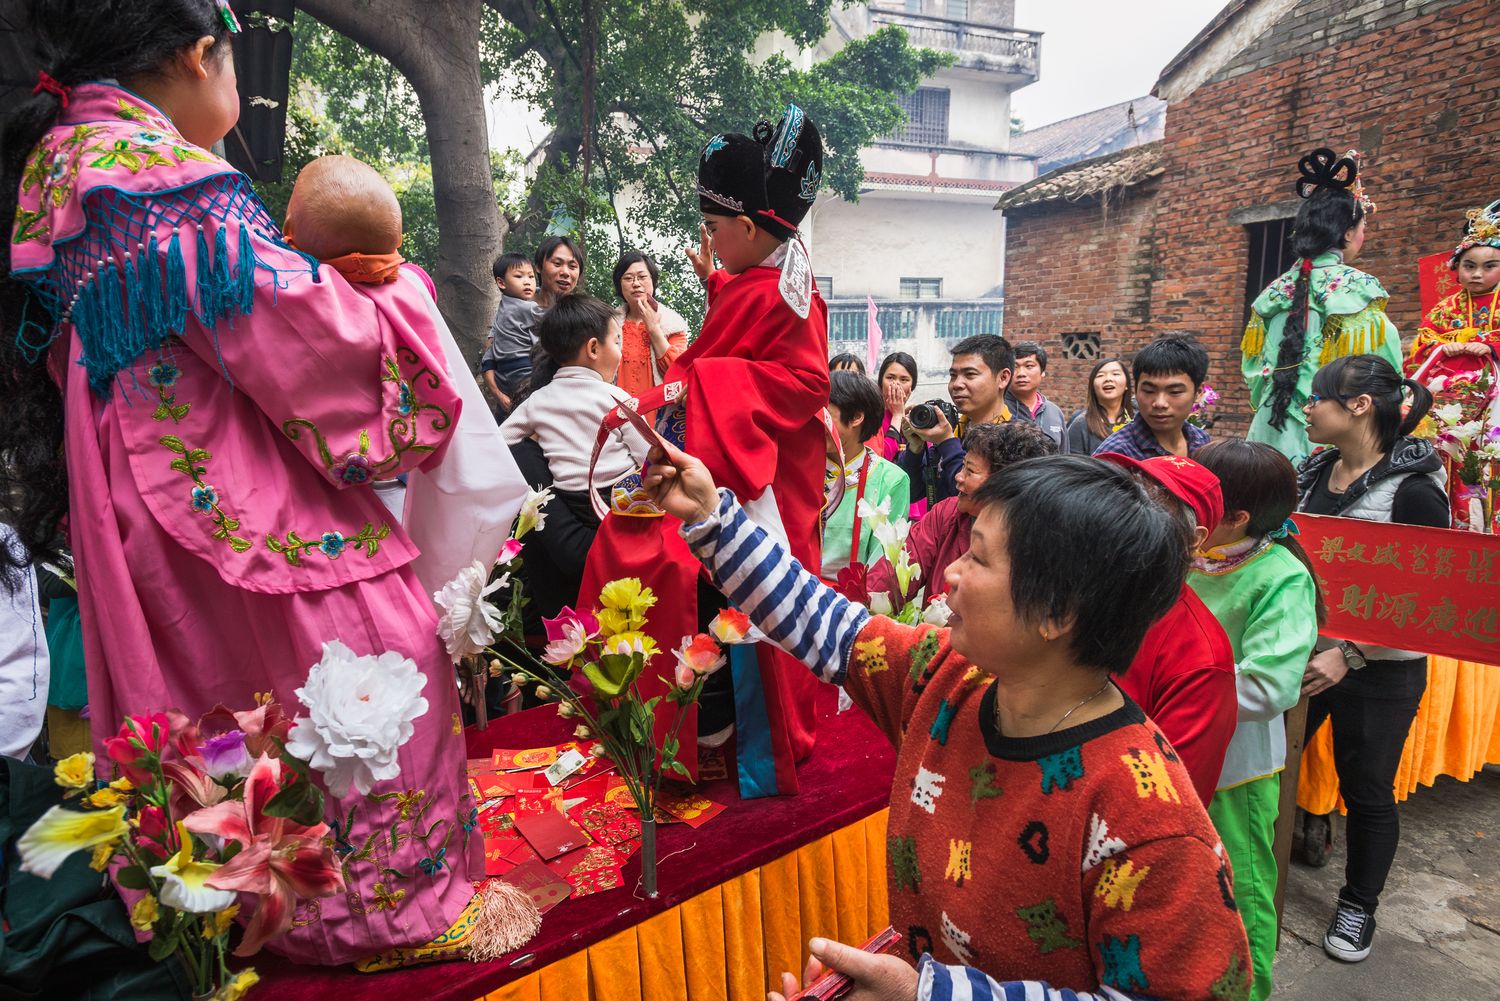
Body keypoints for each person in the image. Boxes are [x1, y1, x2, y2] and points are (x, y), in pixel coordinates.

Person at [0, 1, 516, 964]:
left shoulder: (65, 171)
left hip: (144, 517)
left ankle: (244, 920)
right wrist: (387, 288)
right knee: (371, 666)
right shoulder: (162, 186)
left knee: (211, 712)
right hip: (231, 512)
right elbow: (322, 352)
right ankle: (372, 914)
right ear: (202, 56)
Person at [641, 444, 1253, 1001]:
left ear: (1056, 612)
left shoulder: (1150, 823)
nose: (952, 573)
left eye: (980, 559)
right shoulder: (947, 676)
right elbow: (822, 622)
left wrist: (929, 997)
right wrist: (712, 520)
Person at [577, 105, 830, 798]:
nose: (713, 239)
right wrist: (715, 281)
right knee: (640, 551)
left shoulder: (789, 291)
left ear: (750, 228)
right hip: (732, 455)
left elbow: (807, 381)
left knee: (675, 565)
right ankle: (687, 715)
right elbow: (747, 323)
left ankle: (730, 728)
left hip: (761, 481)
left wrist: (705, 382)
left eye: (718, 230)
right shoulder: (768, 270)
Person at [1295, 354, 1447, 963]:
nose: (1307, 408)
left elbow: (1433, 603)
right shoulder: (1313, 475)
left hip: (1381, 672)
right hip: (1305, 661)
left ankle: (1359, 905)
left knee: (1367, 791)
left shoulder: (1413, 491)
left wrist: (1351, 655)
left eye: (1318, 398)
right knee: (1272, 770)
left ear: (1358, 407)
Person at [1189, 440, 1324, 1001]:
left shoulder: (1281, 577)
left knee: (1238, 889)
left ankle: (1248, 989)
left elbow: (1268, 684)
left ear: (1237, 516)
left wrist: (1174, 688)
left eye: (1201, 498)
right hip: (1168, 748)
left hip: (1235, 767)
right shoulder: (1191, 553)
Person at [1243, 148, 1401, 468]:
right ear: (1346, 233)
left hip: (1268, 431)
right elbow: (1384, 369)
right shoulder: (1357, 291)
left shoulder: (1273, 293)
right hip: (1335, 436)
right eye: (1362, 230)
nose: (1362, 238)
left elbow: (1255, 373)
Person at [1096, 453, 1239, 806]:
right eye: (1123, 499)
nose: (1123, 519)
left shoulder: (1201, 659)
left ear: (1193, 539)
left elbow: (1170, 802)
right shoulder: (1080, 593)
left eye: (1149, 510)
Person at [865, 421, 1057, 605]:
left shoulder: (1039, 542)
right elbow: (887, 580)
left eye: (970, 471)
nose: (958, 476)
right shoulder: (946, 513)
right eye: (963, 465)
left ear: (1006, 484)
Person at [1405, 198, 1500, 532]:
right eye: (1469, 265)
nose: (1476, 274)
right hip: (1448, 407)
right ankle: (1447, 523)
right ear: (1455, 268)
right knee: (1450, 457)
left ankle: (1486, 526)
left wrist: (1489, 345)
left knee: (1487, 458)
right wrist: (1444, 346)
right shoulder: (1445, 308)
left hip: (1492, 409)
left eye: (1489, 266)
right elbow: (1422, 347)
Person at [501, 295, 647, 492]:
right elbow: (648, 454)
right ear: (593, 348)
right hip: (620, 496)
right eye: (616, 342)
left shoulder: (536, 400)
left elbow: (499, 441)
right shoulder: (616, 398)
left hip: (570, 500)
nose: (620, 352)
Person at [898, 334, 1014, 508]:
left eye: (970, 374)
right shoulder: (955, 429)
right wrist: (915, 449)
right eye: (953, 376)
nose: (957, 384)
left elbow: (973, 500)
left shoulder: (1016, 439)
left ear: (1003, 378)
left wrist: (946, 442)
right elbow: (910, 493)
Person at [820, 371, 911, 581]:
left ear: (856, 418)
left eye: (826, 414)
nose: (818, 422)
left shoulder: (891, 480)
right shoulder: (800, 470)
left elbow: (882, 563)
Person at [1096, 337, 1212, 459]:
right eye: (1149, 391)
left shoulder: (1201, 441)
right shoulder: (1115, 456)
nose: (1160, 403)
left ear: (1198, 393)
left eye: (1174, 392)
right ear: (1135, 390)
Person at [613, 249, 690, 398]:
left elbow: (680, 372)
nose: (636, 284)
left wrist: (654, 329)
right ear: (619, 286)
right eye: (628, 278)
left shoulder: (673, 323)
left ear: (653, 281)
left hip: (658, 413)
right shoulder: (608, 323)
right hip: (616, 410)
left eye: (642, 277)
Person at [479, 251, 544, 414]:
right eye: (519, 276)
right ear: (501, 283)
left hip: (502, 374)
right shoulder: (530, 308)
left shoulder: (502, 307)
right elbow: (556, 321)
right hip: (525, 369)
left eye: (530, 277)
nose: (527, 282)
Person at [1066, 358, 1133, 456]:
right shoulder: (1080, 423)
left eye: (1115, 374)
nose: (1108, 379)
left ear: (1127, 384)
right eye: (1100, 375)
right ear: (1092, 386)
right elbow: (1072, 465)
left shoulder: (1138, 420)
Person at [1009, 341, 1066, 446]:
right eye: (1015, 367)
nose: (1021, 373)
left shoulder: (1054, 412)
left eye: (1029, 366)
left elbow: (1063, 456)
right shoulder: (997, 407)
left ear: (1042, 371)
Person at [875, 350, 919, 463]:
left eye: (904, 379)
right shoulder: (871, 418)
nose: (896, 384)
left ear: (912, 386)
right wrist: (897, 415)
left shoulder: (916, 419)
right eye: (890, 378)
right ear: (880, 382)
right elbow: (880, 461)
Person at [533, 233, 582, 308]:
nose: (565, 272)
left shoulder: (584, 315)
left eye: (572, 266)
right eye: (557, 263)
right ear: (539, 267)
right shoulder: (515, 303)